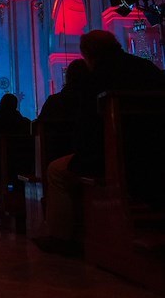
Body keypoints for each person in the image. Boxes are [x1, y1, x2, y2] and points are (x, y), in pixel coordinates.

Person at [37, 30, 165, 255]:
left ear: (86, 55)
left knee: (56, 171)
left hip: (115, 156)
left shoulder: (94, 79)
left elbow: (87, 129)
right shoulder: (148, 68)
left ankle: (62, 238)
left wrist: (82, 155)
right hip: (157, 153)